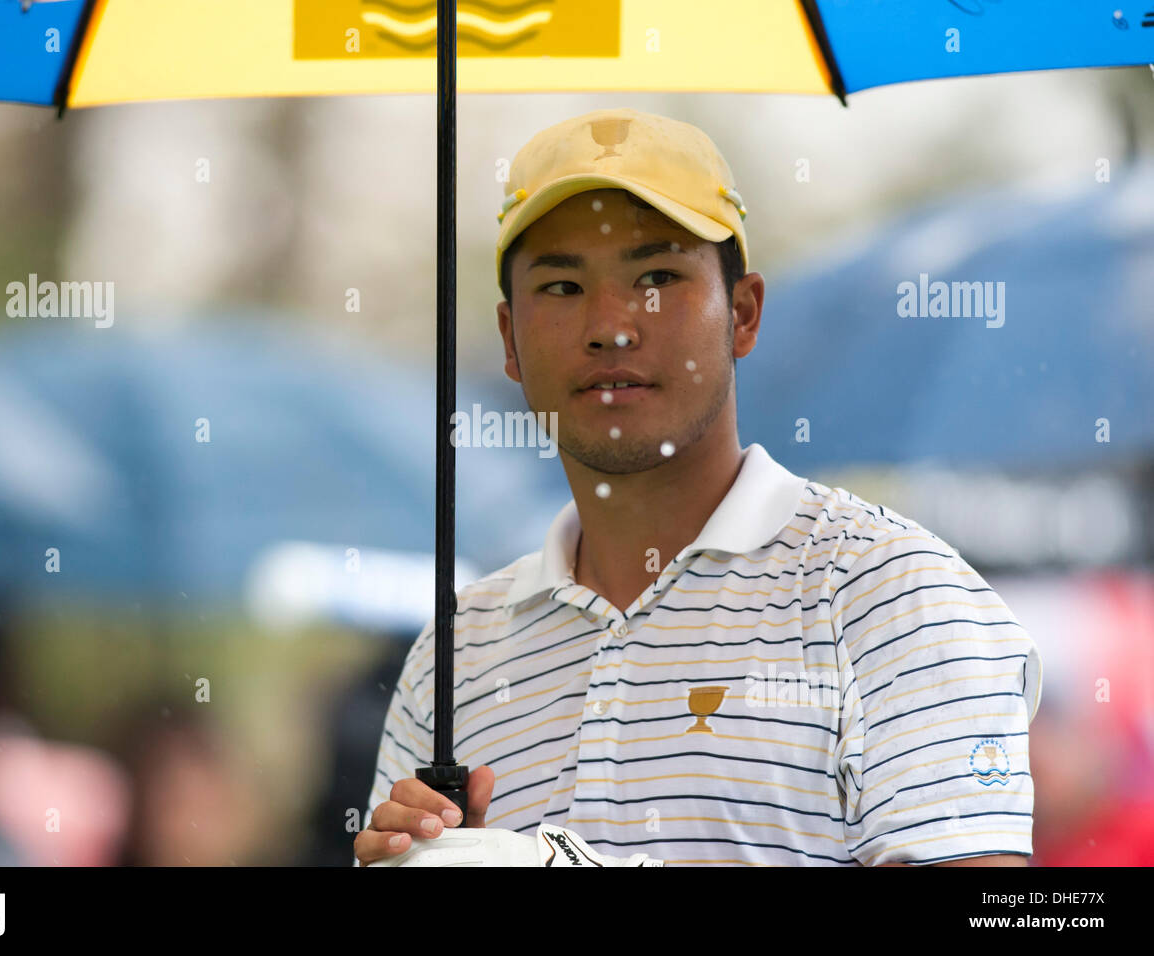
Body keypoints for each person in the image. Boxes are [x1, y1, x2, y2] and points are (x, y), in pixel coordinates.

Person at [354, 107, 1043, 866]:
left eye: (657, 277)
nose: (611, 325)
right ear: (510, 341)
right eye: (560, 285)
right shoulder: (454, 653)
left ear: (742, 314)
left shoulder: (896, 599)